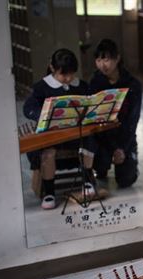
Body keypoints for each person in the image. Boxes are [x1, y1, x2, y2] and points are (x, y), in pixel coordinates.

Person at [23, 48, 97, 209]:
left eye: (71, 74)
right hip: (52, 136)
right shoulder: (41, 87)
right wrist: (41, 115)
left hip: (75, 135)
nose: (68, 78)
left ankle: (87, 181)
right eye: (64, 75)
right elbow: (28, 108)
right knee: (48, 152)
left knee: (89, 142)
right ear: (52, 68)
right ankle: (49, 192)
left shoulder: (81, 86)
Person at [89, 39, 142, 188]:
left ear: (117, 58)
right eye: (98, 60)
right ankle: (102, 165)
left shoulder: (133, 84)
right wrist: (112, 148)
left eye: (106, 59)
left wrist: (122, 148)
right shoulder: (95, 83)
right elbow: (94, 118)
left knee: (126, 180)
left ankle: (125, 158)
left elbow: (133, 120)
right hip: (103, 137)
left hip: (124, 136)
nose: (102, 65)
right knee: (100, 169)